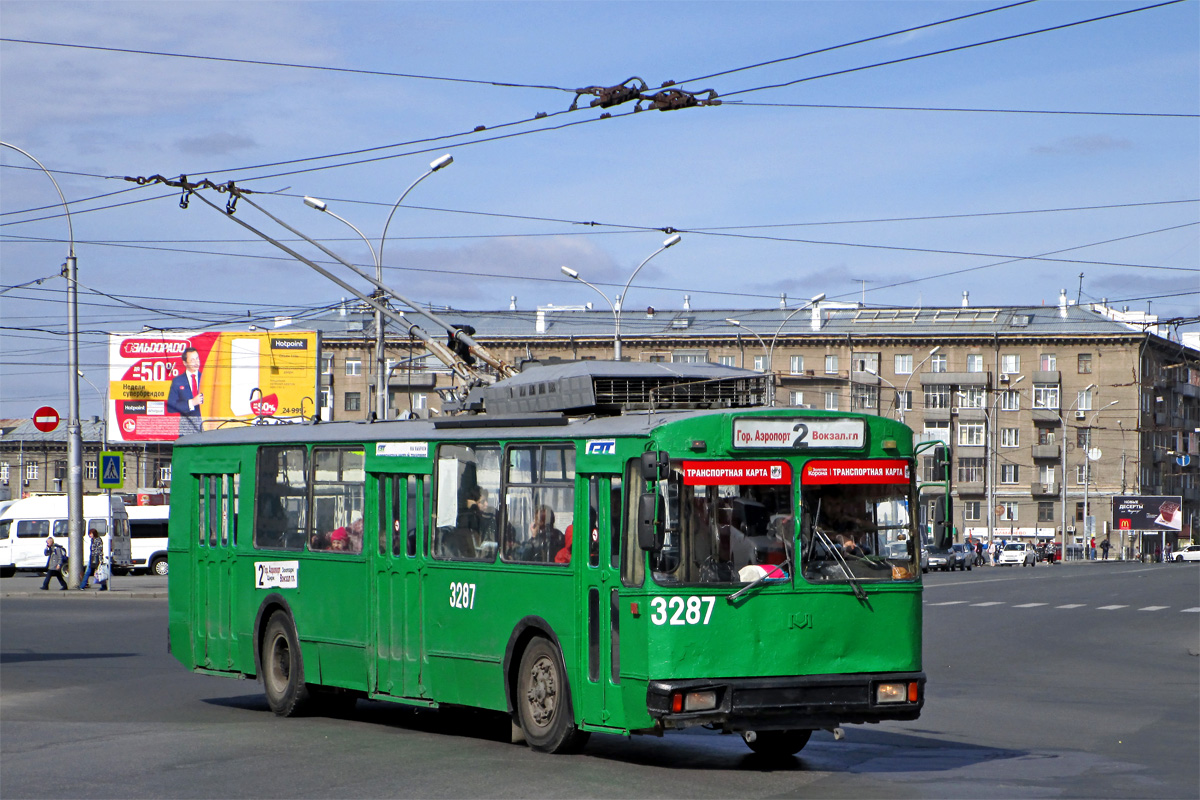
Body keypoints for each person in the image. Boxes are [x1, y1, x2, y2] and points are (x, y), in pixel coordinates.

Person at [167, 346, 205, 434]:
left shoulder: (206, 378)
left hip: (205, 425)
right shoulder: (178, 381)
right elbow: (170, 407)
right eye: (192, 360)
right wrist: (191, 403)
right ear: (185, 363)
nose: (196, 362)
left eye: (197, 359)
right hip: (186, 427)